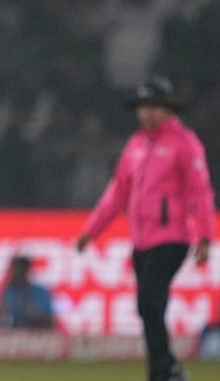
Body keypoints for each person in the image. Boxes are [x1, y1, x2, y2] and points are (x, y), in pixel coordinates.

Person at [77, 75, 215, 381]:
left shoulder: (184, 143)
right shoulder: (136, 145)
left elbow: (200, 192)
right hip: (141, 242)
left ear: (168, 110)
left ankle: (167, 368)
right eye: (144, 106)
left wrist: (205, 236)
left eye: (155, 106)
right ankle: (161, 372)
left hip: (172, 238)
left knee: (149, 303)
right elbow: (117, 192)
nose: (148, 113)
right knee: (149, 309)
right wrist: (92, 230)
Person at [0, 254, 55, 330]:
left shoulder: (40, 293)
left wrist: (34, 313)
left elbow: (49, 321)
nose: (14, 274)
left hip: (35, 333)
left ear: (25, 271)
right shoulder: (8, 292)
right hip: (13, 335)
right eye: (12, 270)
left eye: (18, 270)